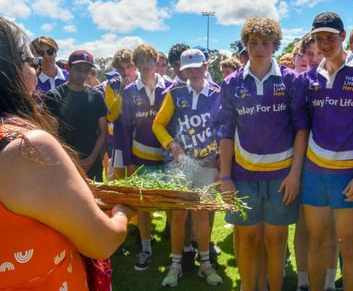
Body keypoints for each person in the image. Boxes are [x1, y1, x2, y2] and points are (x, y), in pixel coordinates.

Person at [0, 17, 133, 290]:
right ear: (10, 68)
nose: (37, 69)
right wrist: (122, 211)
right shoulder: (27, 148)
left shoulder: (94, 97)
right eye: (32, 61)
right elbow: (101, 241)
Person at [218, 17, 309, 291]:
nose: (259, 49)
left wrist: (295, 174)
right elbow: (225, 133)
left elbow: (301, 130)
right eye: (253, 43)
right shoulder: (231, 83)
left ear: (275, 46)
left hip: (281, 179)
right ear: (245, 45)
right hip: (243, 177)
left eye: (265, 43)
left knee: (275, 241)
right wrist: (225, 178)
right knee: (248, 240)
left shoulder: (291, 80)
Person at [302, 11, 353, 291]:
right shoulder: (310, 77)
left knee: (347, 242)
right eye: (319, 38)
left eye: (330, 37)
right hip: (314, 173)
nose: (325, 43)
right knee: (317, 240)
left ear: (343, 36)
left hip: (349, 174)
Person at [153, 48, 223, 287]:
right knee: (179, 215)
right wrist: (171, 144)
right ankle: (176, 265)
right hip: (180, 165)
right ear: (182, 70)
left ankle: (205, 264)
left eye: (197, 67)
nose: (193, 72)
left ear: (206, 66)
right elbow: (158, 125)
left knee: (202, 214)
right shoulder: (174, 93)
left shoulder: (217, 94)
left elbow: (223, 127)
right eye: (187, 69)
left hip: (206, 164)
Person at [114, 43, 170, 271]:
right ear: (135, 65)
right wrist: (129, 161)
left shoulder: (171, 88)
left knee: (172, 203)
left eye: (150, 60)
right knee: (144, 205)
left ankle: (178, 249)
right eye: (142, 62)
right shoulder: (128, 92)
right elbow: (125, 128)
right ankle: (146, 248)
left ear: (156, 62)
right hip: (140, 156)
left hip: (167, 158)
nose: (146, 66)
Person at [44, 50, 107, 182]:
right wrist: (68, 160)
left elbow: (103, 131)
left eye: (86, 70)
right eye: (78, 69)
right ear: (68, 67)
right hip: (63, 165)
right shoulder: (54, 96)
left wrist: (92, 158)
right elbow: (50, 134)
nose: (82, 74)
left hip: (92, 164)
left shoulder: (96, 97)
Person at [103, 49, 137, 180]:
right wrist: (122, 92)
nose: (125, 72)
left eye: (129, 67)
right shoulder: (112, 85)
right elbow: (111, 116)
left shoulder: (144, 81)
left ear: (135, 65)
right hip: (121, 139)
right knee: (120, 180)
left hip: (141, 138)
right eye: (121, 68)